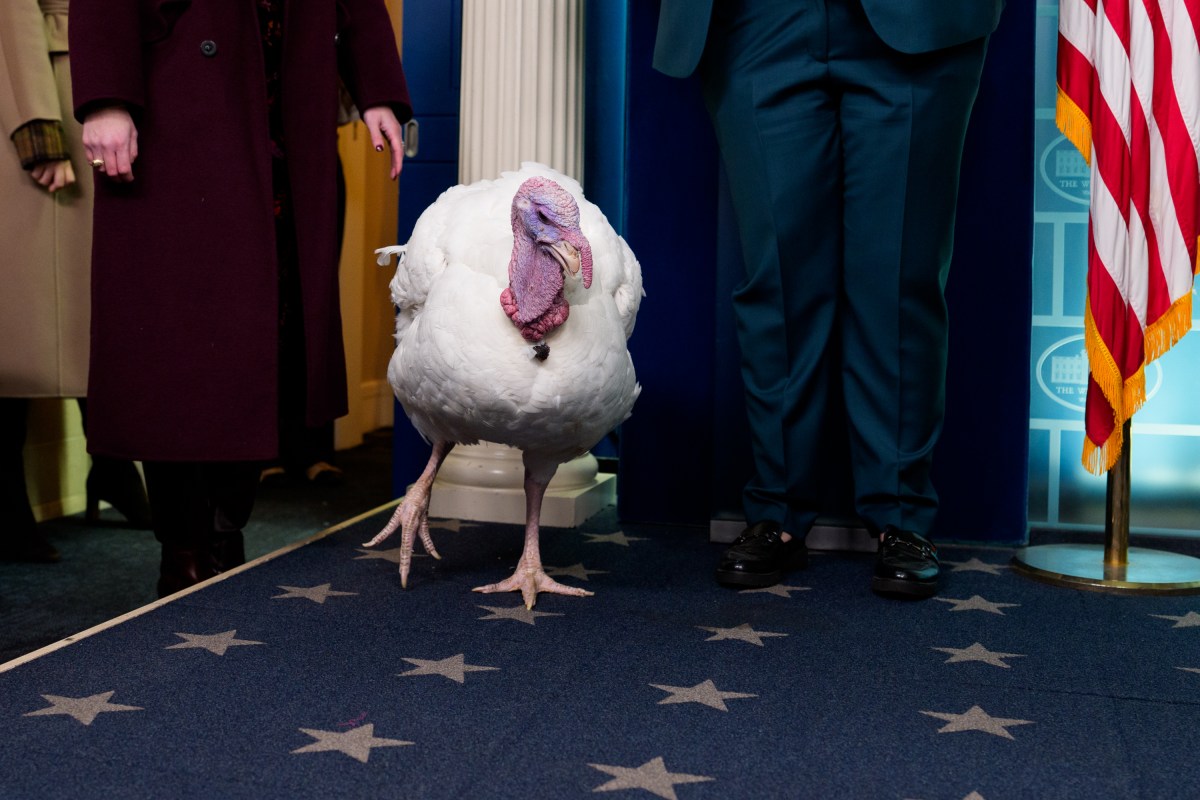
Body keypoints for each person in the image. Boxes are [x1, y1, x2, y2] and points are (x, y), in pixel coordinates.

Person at [654, 0, 1003, 598]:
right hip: (758, 22)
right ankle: (777, 513)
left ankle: (902, 518)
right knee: (777, 280)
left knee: (896, 280)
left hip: (915, 24)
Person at [68, 0, 411, 595]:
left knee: (269, 342)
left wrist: (374, 86)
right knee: (175, 345)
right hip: (176, 116)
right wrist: (105, 96)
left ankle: (227, 535)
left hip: (286, 128)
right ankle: (183, 548)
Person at [1, 0, 150, 565]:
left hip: (96, 83)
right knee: (23, 320)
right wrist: (34, 124)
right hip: (51, 91)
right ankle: (6, 500)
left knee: (100, 305)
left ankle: (112, 466)